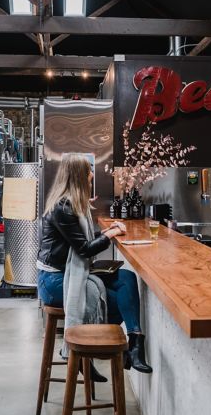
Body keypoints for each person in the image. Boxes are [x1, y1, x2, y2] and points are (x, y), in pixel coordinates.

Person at [36, 154, 153, 375]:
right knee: (115, 300)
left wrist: (109, 231)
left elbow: (80, 241)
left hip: (73, 272)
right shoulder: (64, 207)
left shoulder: (73, 204)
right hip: (54, 280)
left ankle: (136, 344)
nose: (92, 175)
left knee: (127, 277)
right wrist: (112, 234)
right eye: (89, 171)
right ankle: (92, 353)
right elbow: (85, 249)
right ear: (79, 176)